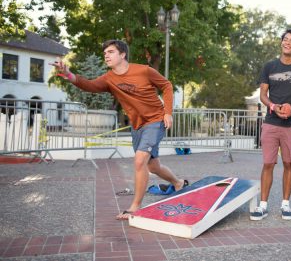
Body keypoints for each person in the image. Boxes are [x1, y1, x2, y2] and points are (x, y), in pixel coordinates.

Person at [51, 40, 188, 220]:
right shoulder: (109, 78)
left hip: (155, 120)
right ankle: (178, 183)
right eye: (105, 53)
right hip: (137, 125)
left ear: (122, 54)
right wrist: (68, 74)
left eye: (110, 52)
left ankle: (135, 207)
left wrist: (168, 113)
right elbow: (89, 85)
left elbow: (167, 86)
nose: (106, 55)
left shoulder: (144, 70)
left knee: (139, 161)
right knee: (153, 166)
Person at [250, 29, 291, 221]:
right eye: (285, 39)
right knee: (268, 163)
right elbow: (263, 95)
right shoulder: (269, 66)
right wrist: (272, 106)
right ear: (281, 43)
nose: (287, 43)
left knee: (288, 163)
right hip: (271, 122)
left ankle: (285, 204)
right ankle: (263, 206)